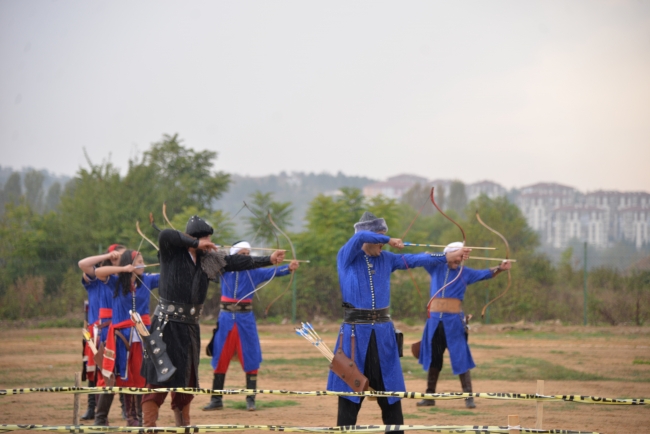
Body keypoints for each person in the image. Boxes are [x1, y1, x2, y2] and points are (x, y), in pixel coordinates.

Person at [327, 212, 470, 432]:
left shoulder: (388, 259)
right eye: (379, 238)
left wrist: (449, 256)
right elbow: (358, 237)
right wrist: (388, 239)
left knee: (391, 396)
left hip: (383, 337)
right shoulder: (347, 257)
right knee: (349, 395)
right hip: (355, 338)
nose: (382, 243)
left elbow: (418, 258)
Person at [140, 215, 287, 427]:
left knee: (186, 382)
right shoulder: (172, 253)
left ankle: (184, 427)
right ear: (196, 239)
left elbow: (235, 261)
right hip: (167, 327)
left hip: (190, 328)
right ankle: (149, 427)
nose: (210, 244)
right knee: (159, 378)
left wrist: (269, 259)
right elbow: (165, 234)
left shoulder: (206, 260)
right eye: (206, 239)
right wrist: (195, 243)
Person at [203, 241, 300, 412]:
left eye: (248, 254)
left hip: (245, 320)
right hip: (226, 319)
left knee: (250, 355)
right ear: (233, 256)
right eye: (242, 254)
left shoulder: (254, 272)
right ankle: (216, 399)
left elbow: (273, 271)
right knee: (220, 356)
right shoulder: (224, 270)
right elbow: (208, 265)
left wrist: (289, 268)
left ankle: (251, 399)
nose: (246, 257)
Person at [417, 241, 512, 409]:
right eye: (456, 257)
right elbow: (424, 257)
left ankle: (468, 397)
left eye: (461, 258)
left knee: (460, 357)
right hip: (435, 322)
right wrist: (446, 255)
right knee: (434, 359)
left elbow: (485, 273)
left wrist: (501, 268)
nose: (458, 261)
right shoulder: (436, 267)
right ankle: (430, 396)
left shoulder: (465, 273)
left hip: (453, 322)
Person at [95, 250, 160, 426]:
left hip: (141, 336)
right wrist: (123, 269)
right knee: (118, 376)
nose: (143, 264)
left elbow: (167, 276)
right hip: (120, 338)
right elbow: (97, 272)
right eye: (139, 261)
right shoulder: (116, 282)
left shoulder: (147, 279)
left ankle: (136, 418)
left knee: (140, 375)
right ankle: (102, 418)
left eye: (143, 260)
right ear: (129, 263)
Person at [77, 244, 126, 422]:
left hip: (119, 328)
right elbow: (83, 264)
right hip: (98, 330)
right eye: (117, 255)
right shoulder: (97, 276)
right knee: (95, 369)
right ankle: (92, 408)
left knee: (121, 368)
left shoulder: (123, 279)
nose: (119, 258)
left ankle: (125, 409)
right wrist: (107, 256)